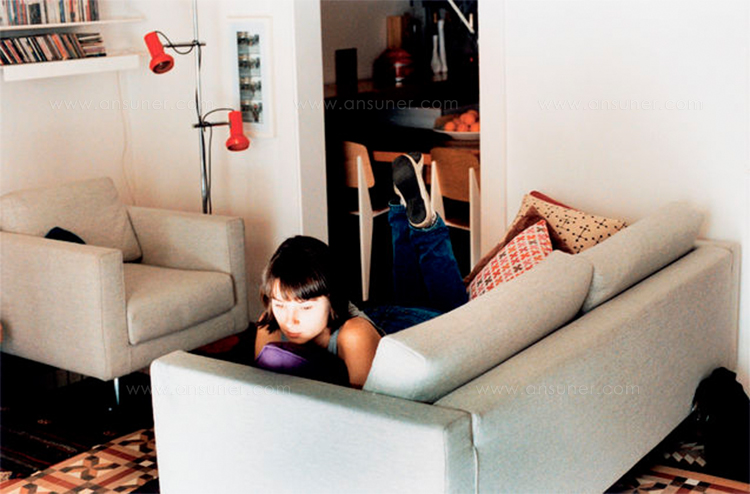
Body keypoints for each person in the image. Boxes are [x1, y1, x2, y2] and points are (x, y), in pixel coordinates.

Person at [254, 152, 468, 387]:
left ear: (333, 299)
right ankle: (403, 211)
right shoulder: (270, 323)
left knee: (458, 318)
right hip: (378, 318)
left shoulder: (353, 336)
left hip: (412, 326)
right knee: (410, 296)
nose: (290, 321)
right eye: (280, 304)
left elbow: (363, 406)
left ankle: (424, 227)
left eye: (305, 307)